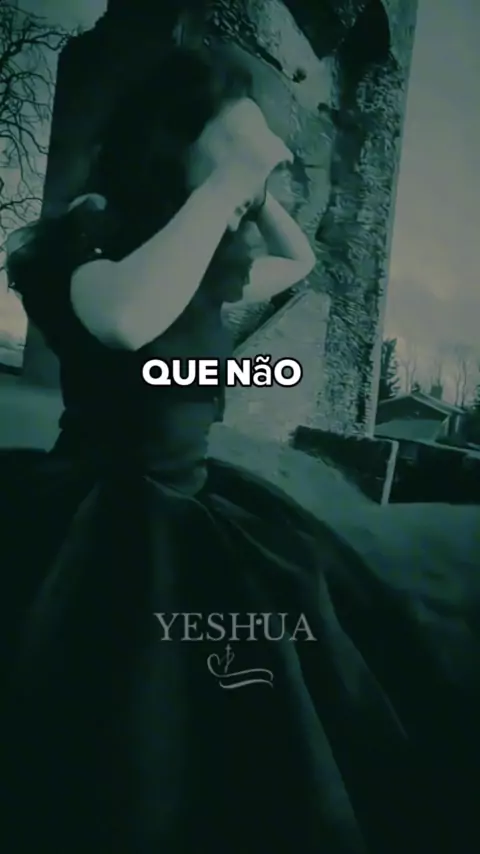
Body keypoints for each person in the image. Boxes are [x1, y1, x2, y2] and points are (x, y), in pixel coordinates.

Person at [1, 46, 479, 854]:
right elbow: (124, 321)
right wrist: (226, 182)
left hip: (195, 496)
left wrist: (250, 188)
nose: (260, 166)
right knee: (123, 711)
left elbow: (299, 261)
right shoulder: (95, 243)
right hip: (101, 503)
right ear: (172, 146)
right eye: (232, 145)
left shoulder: (203, 263)